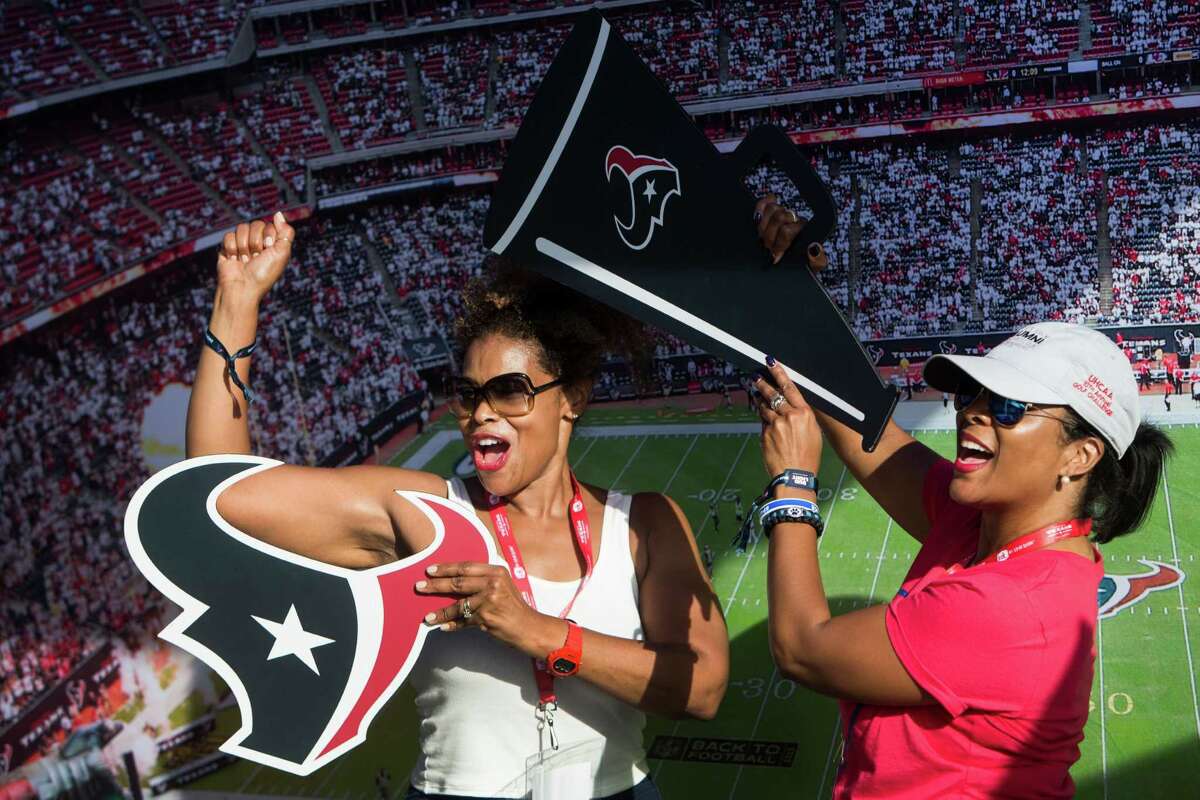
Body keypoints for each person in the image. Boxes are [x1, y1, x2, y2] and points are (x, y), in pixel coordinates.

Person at [187, 214, 729, 799]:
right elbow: (223, 497)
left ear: (572, 397)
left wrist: (534, 630)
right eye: (469, 394)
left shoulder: (644, 522)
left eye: (510, 390)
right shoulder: (424, 513)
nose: (482, 413)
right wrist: (236, 300)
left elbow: (701, 688)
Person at [752, 197, 1172, 797]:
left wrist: (792, 483)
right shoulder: (985, 520)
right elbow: (874, 439)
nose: (972, 411)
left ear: (1080, 456)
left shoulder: (1015, 609)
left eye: (1006, 406)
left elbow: (802, 649)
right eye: (972, 394)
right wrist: (793, 289)